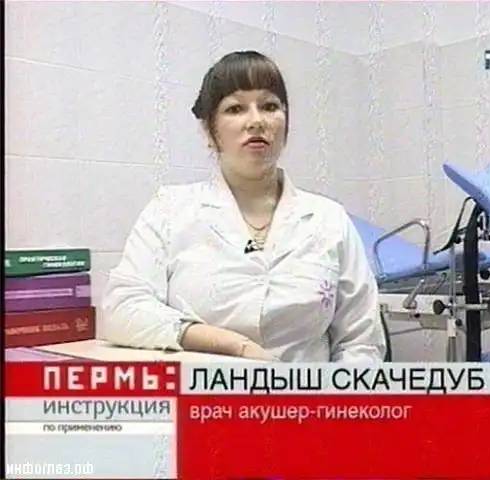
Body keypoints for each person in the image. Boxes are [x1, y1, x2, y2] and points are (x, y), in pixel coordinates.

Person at [102, 50, 385, 362]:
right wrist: (230, 344)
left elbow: (361, 341)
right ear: (210, 131)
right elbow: (122, 308)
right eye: (235, 108)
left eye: (270, 106)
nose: (256, 121)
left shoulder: (328, 219)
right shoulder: (170, 210)